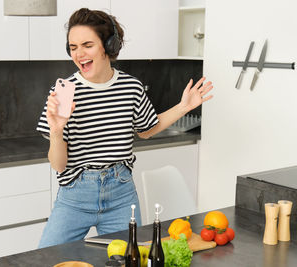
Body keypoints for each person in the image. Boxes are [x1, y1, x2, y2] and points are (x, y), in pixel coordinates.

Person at [36, 8, 213, 248]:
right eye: (73, 47)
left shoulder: (131, 87)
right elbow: (58, 165)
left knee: (130, 260)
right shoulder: (64, 92)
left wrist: (183, 107)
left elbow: (147, 129)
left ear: (108, 46)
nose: (79, 54)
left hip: (121, 194)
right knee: (47, 258)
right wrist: (56, 131)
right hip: (75, 196)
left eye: (87, 45)